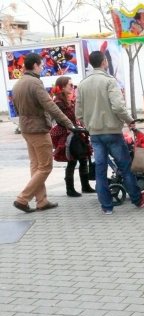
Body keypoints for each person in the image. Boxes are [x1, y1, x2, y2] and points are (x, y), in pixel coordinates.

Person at [75, 51, 144, 215]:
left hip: (95, 134)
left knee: (100, 170)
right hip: (112, 131)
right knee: (125, 166)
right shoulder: (109, 82)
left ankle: (106, 206)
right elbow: (118, 107)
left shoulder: (82, 84)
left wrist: (88, 125)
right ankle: (137, 199)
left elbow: (79, 113)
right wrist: (130, 121)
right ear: (104, 62)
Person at [12, 52, 76, 213]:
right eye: (41, 65)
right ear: (35, 65)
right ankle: (22, 198)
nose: (42, 68)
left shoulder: (18, 84)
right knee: (46, 167)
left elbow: (17, 108)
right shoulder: (35, 83)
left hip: (26, 128)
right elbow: (51, 106)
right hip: (38, 129)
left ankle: (42, 201)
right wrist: (69, 124)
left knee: (36, 166)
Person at [50, 76, 95, 197]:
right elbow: (63, 119)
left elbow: (77, 116)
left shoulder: (72, 99)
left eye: (73, 85)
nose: (73, 87)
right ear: (62, 87)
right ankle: (70, 189)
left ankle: (85, 186)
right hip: (67, 134)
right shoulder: (58, 103)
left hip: (77, 132)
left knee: (83, 158)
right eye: (70, 85)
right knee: (72, 160)